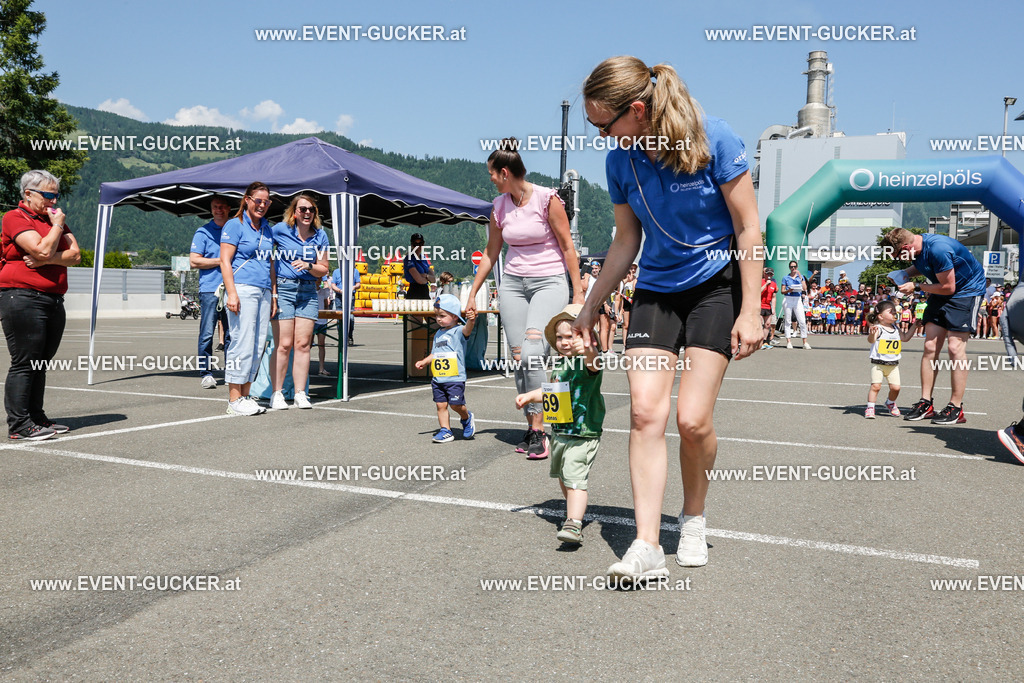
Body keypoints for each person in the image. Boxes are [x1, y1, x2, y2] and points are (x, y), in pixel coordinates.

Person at [579, 56, 762, 580]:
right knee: (644, 414)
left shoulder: (715, 138)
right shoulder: (621, 161)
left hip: (716, 287)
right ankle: (646, 546)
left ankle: (695, 517)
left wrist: (751, 310)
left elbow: (749, 228)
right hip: (656, 289)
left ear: (637, 110)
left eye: (603, 125)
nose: (601, 136)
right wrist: (591, 307)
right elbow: (624, 241)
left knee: (692, 419)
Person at [467, 137, 584, 460]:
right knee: (520, 357)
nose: (490, 178)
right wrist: (474, 292)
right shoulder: (498, 205)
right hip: (513, 284)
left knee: (534, 349)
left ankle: (543, 427)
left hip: (549, 281)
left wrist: (578, 293)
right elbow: (492, 253)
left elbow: (567, 246)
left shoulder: (548, 199)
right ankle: (535, 427)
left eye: (492, 173)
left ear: (505, 172)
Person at [0, 169, 81, 441]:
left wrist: (46, 260)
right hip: (21, 296)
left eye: (56, 196)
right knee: (25, 362)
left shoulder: (51, 217)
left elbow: (76, 255)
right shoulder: (15, 217)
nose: (54, 202)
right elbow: (42, 249)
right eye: (48, 195)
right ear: (28, 193)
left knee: (40, 363)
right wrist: (57, 228)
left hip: (52, 299)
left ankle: (36, 417)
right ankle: (19, 424)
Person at [515, 304, 605, 545]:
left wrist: (587, 349)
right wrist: (529, 396)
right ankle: (572, 511)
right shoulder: (560, 365)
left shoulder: (586, 363)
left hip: (582, 432)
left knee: (574, 476)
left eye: (571, 336)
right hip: (560, 431)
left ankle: (574, 524)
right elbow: (551, 393)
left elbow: (594, 364)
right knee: (564, 476)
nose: (565, 342)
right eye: (560, 337)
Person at [882, 227, 985, 424]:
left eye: (899, 255)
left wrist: (917, 286)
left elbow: (949, 287)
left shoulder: (938, 248)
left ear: (906, 246)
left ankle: (956, 407)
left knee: (955, 348)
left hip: (966, 293)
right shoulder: (917, 249)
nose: (900, 259)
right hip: (941, 292)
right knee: (930, 346)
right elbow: (923, 266)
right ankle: (925, 402)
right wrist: (904, 273)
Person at [269, 195, 330, 410]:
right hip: (284, 289)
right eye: (302, 209)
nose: (307, 213)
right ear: (294, 212)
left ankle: (300, 393)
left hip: (307, 291)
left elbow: (324, 268)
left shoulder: (320, 235)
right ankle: (277, 393)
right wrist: (273, 292)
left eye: (311, 209)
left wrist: (309, 265)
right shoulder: (279, 230)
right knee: (283, 345)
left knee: (303, 345)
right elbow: (267, 257)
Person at [220, 181, 275, 416]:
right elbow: (224, 260)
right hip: (242, 288)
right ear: (247, 200)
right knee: (241, 342)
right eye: (258, 200)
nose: (262, 205)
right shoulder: (235, 225)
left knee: (257, 344)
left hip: (263, 290)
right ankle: (234, 399)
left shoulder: (267, 228)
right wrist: (231, 293)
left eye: (266, 202)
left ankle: (246, 395)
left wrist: (273, 294)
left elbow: (271, 263)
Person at [414, 294, 477, 443]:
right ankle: (445, 430)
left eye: (442, 315)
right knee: (440, 404)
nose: (438, 319)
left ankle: (466, 417)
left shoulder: (459, 331)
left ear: (455, 316)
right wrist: (425, 361)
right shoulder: (438, 334)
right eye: (437, 316)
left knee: (456, 404)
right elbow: (434, 354)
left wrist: (471, 320)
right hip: (439, 377)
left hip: (455, 377)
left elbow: (468, 329)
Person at [190, 196, 232, 389]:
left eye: (222, 207)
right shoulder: (203, 232)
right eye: (216, 207)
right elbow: (194, 261)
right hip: (210, 290)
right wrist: (221, 260)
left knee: (233, 334)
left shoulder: (235, 229)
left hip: (233, 289)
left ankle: (232, 371)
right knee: (207, 333)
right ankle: (206, 373)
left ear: (229, 209)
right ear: (211, 209)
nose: (219, 210)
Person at [864, 301, 919, 419]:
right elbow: (871, 341)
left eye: (895, 311)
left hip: (893, 365)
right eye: (891, 312)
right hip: (878, 363)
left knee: (896, 388)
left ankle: (890, 402)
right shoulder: (877, 328)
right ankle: (870, 407)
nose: (895, 313)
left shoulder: (895, 328)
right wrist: (872, 334)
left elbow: (905, 338)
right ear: (880, 316)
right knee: (876, 386)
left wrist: (914, 326)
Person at [781, 261, 811, 349]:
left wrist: (801, 276)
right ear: (789, 267)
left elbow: (805, 288)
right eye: (791, 267)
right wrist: (788, 290)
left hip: (797, 299)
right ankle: (788, 341)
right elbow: (782, 291)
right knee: (788, 321)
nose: (793, 268)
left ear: (797, 267)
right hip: (788, 298)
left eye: (794, 266)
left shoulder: (800, 277)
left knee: (802, 321)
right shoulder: (785, 277)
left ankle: (805, 342)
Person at [329, 263, 361, 345]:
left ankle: (349, 335)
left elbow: (358, 283)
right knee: (340, 317)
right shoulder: (336, 271)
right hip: (339, 296)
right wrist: (339, 290)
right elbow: (333, 284)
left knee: (350, 317)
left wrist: (353, 287)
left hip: (350, 296)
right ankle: (341, 337)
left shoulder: (355, 271)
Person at [403, 233, 434, 300]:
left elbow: (433, 279)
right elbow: (419, 280)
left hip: (425, 292)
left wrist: (424, 276)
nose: (418, 247)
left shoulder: (424, 258)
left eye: (420, 244)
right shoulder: (409, 258)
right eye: (415, 244)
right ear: (412, 245)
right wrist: (427, 278)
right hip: (414, 291)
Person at [617, 263, 638, 348]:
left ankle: (633, 343)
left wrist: (633, 279)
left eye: (634, 269)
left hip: (634, 303)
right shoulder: (624, 280)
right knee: (626, 325)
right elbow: (620, 292)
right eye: (631, 268)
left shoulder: (636, 280)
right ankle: (625, 345)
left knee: (633, 325)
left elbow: (634, 290)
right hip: (625, 304)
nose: (633, 270)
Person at [313, 277, 331, 376]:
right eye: (317, 279)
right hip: (312, 320)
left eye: (320, 280)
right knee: (307, 345)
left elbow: (326, 305)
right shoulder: (310, 291)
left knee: (321, 345)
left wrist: (326, 316)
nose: (318, 281)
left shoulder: (323, 291)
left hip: (322, 321)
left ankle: (321, 368)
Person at [760, 267, 777, 348]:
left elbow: (774, 297)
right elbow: (757, 292)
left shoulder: (774, 284)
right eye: (767, 274)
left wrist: (773, 308)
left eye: (770, 274)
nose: (769, 275)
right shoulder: (761, 282)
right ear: (764, 274)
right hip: (760, 305)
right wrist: (766, 284)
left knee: (767, 325)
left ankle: (765, 342)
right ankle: (758, 342)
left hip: (768, 306)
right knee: (760, 324)